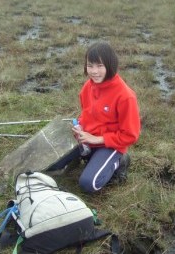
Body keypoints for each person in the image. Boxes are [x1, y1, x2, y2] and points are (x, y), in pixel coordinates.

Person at [49, 42, 141, 193]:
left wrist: (97, 139)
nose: (94, 71)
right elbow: (86, 113)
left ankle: (120, 161)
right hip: (86, 139)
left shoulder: (126, 96)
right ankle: (89, 157)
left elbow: (130, 135)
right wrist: (79, 126)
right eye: (90, 66)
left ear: (110, 65)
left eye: (100, 66)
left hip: (110, 145)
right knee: (51, 165)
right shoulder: (88, 86)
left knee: (89, 184)